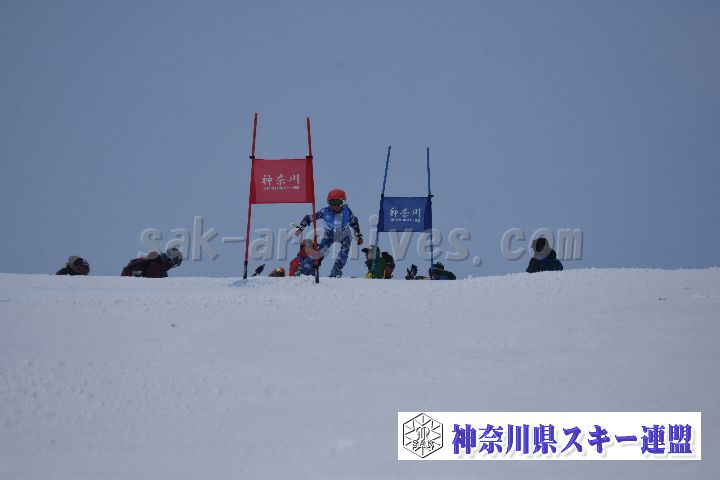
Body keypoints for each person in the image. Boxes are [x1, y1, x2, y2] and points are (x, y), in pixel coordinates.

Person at [293, 189, 363, 278]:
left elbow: (354, 222)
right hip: (330, 234)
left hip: (344, 233)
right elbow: (309, 218)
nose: (336, 206)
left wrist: (358, 235)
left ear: (344, 202)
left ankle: (336, 269)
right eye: (333, 203)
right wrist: (300, 227)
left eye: (339, 203)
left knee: (345, 250)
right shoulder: (325, 212)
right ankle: (303, 269)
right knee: (320, 252)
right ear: (329, 203)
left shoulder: (347, 211)